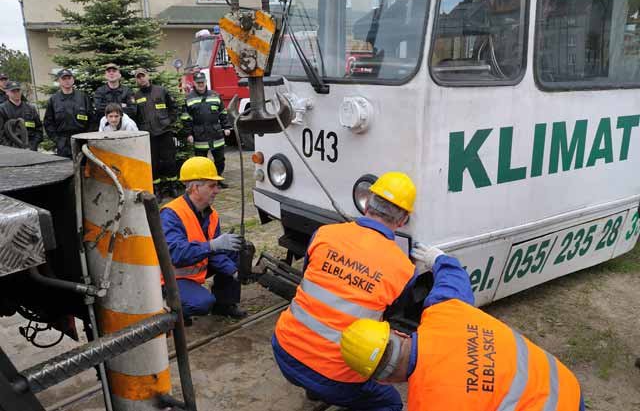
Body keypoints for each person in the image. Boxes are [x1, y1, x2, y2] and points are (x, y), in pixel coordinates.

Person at [339, 243, 586, 411]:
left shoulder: (427, 402)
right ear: (399, 333)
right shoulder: (444, 312)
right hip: (566, 385)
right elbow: (453, 277)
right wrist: (438, 259)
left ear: (383, 382)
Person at [272, 172, 420, 410]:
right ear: (403, 220)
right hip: (335, 377)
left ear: (367, 203)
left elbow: (310, 275)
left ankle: (314, 391)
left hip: (284, 349)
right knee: (390, 402)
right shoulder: (404, 269)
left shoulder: (324, 234)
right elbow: (389, 315)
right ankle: (325, 390)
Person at [160, 156, 247, 321]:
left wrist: (234, 271)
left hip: (195, 266)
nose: (217, 190)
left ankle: (224, 305)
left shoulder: (211, 214)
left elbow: (215, 253)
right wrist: (211, 246)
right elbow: (175, 255)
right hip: (171, 278)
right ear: (194, 188)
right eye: (212, 185)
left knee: (233, 249)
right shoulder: (171, 214)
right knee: (202, 303)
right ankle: (172, 307)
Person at [181, 71, 232, 188]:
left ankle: (217, 179)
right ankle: (205, 182)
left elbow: (223, 113)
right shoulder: (189, 98)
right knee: (201, 161)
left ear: (205, 81)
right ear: (194, 83)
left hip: (216, 133)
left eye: (202, 82)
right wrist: (188, 134)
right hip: (199, 134)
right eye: (198, 82)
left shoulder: (214, 95)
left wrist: (226, 127)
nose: (201, 84)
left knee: (220, 160)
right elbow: (185, 117)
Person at [133, 68, 179, 198]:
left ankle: (172, 186)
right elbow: (135, 116)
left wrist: (169, 121)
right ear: (136, 80)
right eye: (138, 77)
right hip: (149, 135)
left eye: (143, 76)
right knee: (153, 163)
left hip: (165, 132)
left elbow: (173, 108)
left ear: (148, 76)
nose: (141, 79)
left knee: (170, 161)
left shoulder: (161, 90)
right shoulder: (136, 96)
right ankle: (157, 189)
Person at [44, 69, 93, 157]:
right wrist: (57, 140)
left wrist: (87, 137)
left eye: (69, 78)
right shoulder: (54, 100)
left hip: (81, 140)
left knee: (83, 167)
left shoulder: (83, 97)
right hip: (63, 143)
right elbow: (48, 123)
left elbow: (92, 120)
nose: (67, 81)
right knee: (65, 168)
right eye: (64, 79)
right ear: (59, 81)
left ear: (73, 80)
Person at [0, 81, 43, 151]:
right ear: (7, 92)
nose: (16, 93)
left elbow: (39, 130)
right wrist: (14, 149)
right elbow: (1, 135)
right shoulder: (2, 110)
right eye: (13, 91)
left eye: (18, 90)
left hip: (31, 149)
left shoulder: (31, 108)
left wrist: (32, 146)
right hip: (12, 151)